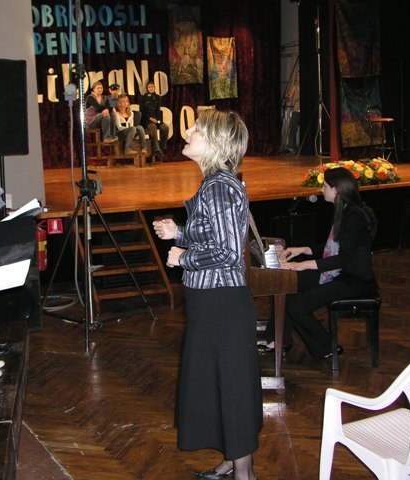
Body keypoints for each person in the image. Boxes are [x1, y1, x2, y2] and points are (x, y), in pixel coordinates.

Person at [153, 110, 262, 480]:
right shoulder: (217, 184)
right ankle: (233, 460)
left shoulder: (218, 187)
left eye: (196, 129)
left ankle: (244, 473)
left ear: (215, 142)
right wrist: (180, 232)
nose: (187, 131)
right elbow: (214, 234)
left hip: (221, 305)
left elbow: (228, 253)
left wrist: (184, 257)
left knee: (231, 387)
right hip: (214, 303)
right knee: (221, 384)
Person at [261, 167, 378, 358]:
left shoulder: (354, 216)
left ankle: (327, 348)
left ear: (336, 190)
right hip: (339, 273)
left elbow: (343, 258)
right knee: (287, 285)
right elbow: (334, 247)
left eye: (325, 186)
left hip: (353, 281)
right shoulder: (345, 210)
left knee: (297, 306)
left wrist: (303, 264)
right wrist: (304, 250)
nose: (321, 190)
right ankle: (278, 341)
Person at [139, 80, 169, 160]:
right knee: (153, 127)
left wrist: (158, 120)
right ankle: (157, 149)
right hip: (147, 119)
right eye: (149, 87)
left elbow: (158, 109)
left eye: (152, 86)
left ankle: (161, 147)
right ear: (147, 88)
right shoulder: (143, 98)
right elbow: (142, 111)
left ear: (154, 87)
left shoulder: (157, 97)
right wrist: (150, 118)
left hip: (156, 118)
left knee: (165, 128)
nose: (151, 88)